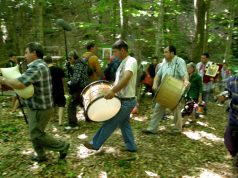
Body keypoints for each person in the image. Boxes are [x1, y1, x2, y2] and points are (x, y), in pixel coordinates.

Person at [0, 42, 70, 163]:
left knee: (36, 135)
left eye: (26, 52)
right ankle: (41, 155)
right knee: (34, 131)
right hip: (37, 106)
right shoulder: (40, 65)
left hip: (40, 108)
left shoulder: (37, 67)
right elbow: (25, 84)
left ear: (34, 53)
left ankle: (62, 146)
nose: (25, 55)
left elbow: (20, 83)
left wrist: (3, 80)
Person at [83, 39, 137, 152]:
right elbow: (119, 81)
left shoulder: (131, 61)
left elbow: (126, 78)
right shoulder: (123, 62)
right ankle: (131, 147)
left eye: (115, 51)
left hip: (127, 101)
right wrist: (110, 88)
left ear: (122, 50)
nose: (114, 54)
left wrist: (113, 91)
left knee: (111, 122)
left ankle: (95, 143)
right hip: (123, 99)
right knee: (124, 124)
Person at [142, 45, 189, 134]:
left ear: (172, 53)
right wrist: (155, 84)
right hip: (164, 90)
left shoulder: (179, 62)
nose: (164, 54)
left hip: (175, 90)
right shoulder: (164, 62)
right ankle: (151, 129)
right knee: (158, 108)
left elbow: (184, 74)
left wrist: (186, 81)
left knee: (176, 109)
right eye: (164, 52)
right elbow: (158, 75)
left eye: (166, 52)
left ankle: (177, 129)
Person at [65, 50, 90, 130]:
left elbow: (75, 80)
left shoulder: (78, 64)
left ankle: (73, 124)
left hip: (80, 88)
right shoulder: (82, 63)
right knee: (83, 103)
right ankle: (89, 118)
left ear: (74, 57)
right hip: (85, 87)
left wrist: (69, 83)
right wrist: (69, 68)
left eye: (70, 58)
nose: (69, 60)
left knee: (71, 105)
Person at [44, 55, 66, 126]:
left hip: (50, 90)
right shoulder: (59, 69)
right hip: (59, 89)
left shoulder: (45, 71)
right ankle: (60, 121)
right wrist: (64, 89)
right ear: (52, 61)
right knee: (61, 105)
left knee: (52, 104)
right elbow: (63, 80)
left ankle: (53, 118)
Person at [224, 75, 238, 167]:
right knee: (229, 141)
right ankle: (234, 153)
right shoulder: (232, 80)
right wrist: (223, 97)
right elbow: (227, 93)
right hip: (234, 116)